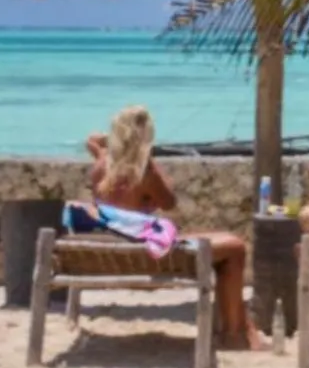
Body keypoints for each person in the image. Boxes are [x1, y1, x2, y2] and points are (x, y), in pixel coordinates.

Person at [82, 106, 264, 351]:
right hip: (149, 256)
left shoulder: (100, 166)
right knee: (235, 247)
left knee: (226, 245)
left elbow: (92, 141)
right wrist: (150, 162)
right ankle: (234, 335)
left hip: (118, 251)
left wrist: (109, 143)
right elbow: (169, 202)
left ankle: (240, 328)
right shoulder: (145, 171)